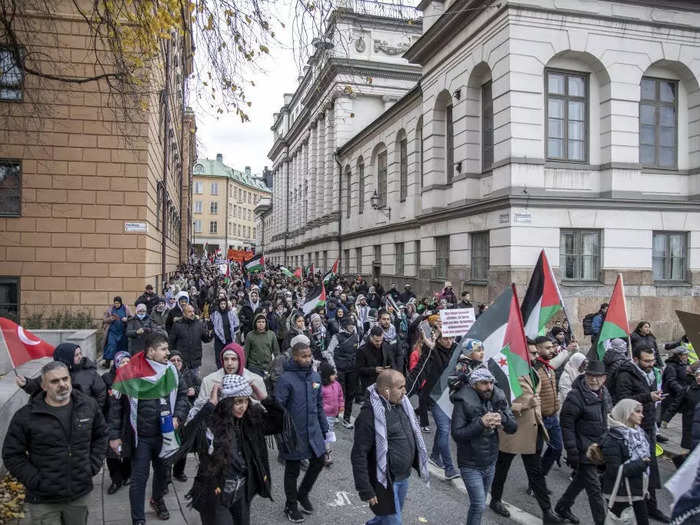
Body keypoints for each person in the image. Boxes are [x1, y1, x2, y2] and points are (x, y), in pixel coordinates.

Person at [2, 361, 108, 524]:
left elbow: (101, 436)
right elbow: (12, 454)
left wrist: (92, 465)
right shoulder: (26, 416)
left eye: (65, 379)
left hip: (79, 494)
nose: (62, 384)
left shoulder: (88, 405)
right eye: (54, 381)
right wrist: (35, 479)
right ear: (43, 386)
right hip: (43, 499)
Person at [180, 374, 285, 525]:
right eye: (237, 402)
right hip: (215, 493)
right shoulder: (211, 422)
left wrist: (265, 399)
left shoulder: (250, 420)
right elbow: (186, 438)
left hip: (241, 491)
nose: (243, 407)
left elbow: (279, 423)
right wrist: (209, 406)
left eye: (245, 401)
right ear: (226, 403)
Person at [108, 333, 190, 525]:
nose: (167, 353)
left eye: (167, 349)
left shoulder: (172, 370)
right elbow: (116, 407)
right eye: (163, 349)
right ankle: (138, 518)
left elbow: (183, 395)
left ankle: (157, 500)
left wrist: (178, 416)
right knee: (138, 480)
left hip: (165, 435)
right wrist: (113, 435)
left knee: (163, 476)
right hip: (141, 438)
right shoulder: (129, 372)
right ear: (151, 351)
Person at [490, 339, 563, 524]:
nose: (535, 356)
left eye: (535, 353)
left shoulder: (533, 370)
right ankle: (495, 500)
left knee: (536, 472)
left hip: (533, 428)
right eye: (531, 353)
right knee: (502, 468)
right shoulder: (509, 372)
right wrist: (524, 404)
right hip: (513, 430)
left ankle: (547, 512)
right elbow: (500, 404)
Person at [351, 370, 429, 525]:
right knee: (393, 521)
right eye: (401, 387)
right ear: (387, 391)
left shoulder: (401, 404)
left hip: (403, 477)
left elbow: (421, 372)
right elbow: (359, 454)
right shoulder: (369, 415)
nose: (405, 391)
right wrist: (365, 488)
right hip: (384, 482)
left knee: (384, 517)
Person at [451, 368, 517, 525]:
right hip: (470, 463)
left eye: (491, 383)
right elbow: (457, 434)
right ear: (474, 385)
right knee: (479, 504)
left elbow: (513, 427)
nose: (489, 387)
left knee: (479, 505)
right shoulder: (462, 401)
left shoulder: (498, 397)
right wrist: (481, 423)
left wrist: (502, 418)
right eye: (484, 383)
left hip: (490, 461)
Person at [614, 346, 670, 522]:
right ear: (636, 360)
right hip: (632, 428)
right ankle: (627, 508)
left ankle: (651, 507)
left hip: (648, 426)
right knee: (636, 469)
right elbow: (624, 401)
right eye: (647, 361)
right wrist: (648, 397)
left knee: (650, 467)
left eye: (652, 360)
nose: (651, 364)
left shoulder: (651, 372)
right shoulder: (625, 375)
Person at [275, 339, 329, 523]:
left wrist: (324, 427)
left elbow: (319, 404)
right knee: (293, 469)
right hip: (293, 433)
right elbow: (278, 408)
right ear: (295, 357)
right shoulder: (285, 379)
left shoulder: (315, 377)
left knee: (319, 460)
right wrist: (281, 433)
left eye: (309, 356)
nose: (308, 359)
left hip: (313, 430)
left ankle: (302, 494)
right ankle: (290, 505)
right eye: (303, 356)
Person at [555, 360, 612, 525]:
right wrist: (572, 452)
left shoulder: (604, 393)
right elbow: (567, 426)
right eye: (590, 376)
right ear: (585, 376)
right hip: (583, 449)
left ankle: (562, 507)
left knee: (581, 480)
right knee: (595, 490)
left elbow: (608, 418)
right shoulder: (575, 396)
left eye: (598, 377)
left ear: (604, 379)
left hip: (598, 449)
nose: (594, 380)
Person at [411, 330, 460, 480]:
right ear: (438, 340)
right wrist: (429, 342)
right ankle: (450, 468)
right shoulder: (433, 352)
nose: (449, 341)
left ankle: (434, 455)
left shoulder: (457, 351)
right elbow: (429, 357)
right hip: (434, 396)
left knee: (443, 429)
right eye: (445, 338)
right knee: (445, 430)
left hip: (450, 396)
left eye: (451, 338)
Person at [600, 399, 653, 525]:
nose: (642, 415)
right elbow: (614, 471)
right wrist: (642, 463)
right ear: (626, 413)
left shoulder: (639, 433)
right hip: (621, 493)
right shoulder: (613, 438)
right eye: (638, 412)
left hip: (636, 490)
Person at [16, 342, 107, 410]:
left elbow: (101, 394)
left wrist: (93, 412)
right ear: (66, 358)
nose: (80, 357)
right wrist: (26, 383)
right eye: (76, 355)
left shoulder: (90, 372)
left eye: (80, 353)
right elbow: (37, 386)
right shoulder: (53, 371)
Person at [532, 335, 573, 478]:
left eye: (552, 347)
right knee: (533, 454)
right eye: (548, 348)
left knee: (556, 448)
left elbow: (555, 363)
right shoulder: (534, 368)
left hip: (552, 416)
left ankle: (540, 478)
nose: (552, 350)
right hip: (539, 418)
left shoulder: (548, 366)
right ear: (537, 349)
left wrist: (568, 351)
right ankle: (536, 485)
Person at [192, 343, 267, 418]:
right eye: (226, 359)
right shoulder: (209, 381)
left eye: (234, 359)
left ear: (241, 360)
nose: (229, 363)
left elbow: (265, 412)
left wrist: (250, 399)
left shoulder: (256, 380)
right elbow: (198, 409)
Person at [103, 351, 133, 495]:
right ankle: (116, 479)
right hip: (111, 420)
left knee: (127, 452)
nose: (126, 365)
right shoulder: (107, 379)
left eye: (128, 361)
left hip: (128, 423)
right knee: (112, 454)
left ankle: (127, 475)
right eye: (122, 362)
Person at [168, 350, 200, 483]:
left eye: (178, 360)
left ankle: (179, 471)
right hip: (170, 415)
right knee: (168, 445)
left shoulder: (190, 375)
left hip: (186, 415)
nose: (176, 363)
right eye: (173, 360)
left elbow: (202, 386)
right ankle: (165, 474)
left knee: (183, 445)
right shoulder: (165, 375)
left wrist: (195, 390)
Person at [327, 316, 360, 429]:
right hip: (340, 370)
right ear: (345, 325)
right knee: (340, 394)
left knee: (351, 394)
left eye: (353, 324)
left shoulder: (356, 336)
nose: (352, 326)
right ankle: (335, 414)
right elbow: (329, 352)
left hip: (352, 370)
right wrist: (334, 368)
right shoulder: (337, 337)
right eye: (350, 324)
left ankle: (346, 419)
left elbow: (358, 352)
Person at [168, 303, 213, 377]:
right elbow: (171, 342)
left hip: (195, 362)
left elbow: (206, 339)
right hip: (181, 362)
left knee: (194, 384)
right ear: (184, 313)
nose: (192, 313)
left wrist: (211, 333)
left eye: (193, 311)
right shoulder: (177, 325)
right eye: (189, 312)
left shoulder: (199, 324)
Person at [357, 325, 396, 394]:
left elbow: (391, 361)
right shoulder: (362, 350)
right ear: (371, 337)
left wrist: (389, 367)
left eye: (381, 340)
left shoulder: (385, 345)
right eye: (376, 341)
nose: (379, 343)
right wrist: (374, 370)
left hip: (383, 382)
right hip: (369, 384)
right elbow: (359, 369)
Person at [320, 362, 344, 466]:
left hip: (333, 414)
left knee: (327, 433)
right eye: (333, 374)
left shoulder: (337, 384)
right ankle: (327, 453)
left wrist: (341, 406)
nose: (336, 376)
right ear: (326, 375)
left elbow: (340, 396)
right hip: (324, 415)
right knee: (327, 433)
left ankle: (323, 452)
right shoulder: (319, 386)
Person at [244, 312, 280, 377]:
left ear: (266, 323)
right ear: (255, 323)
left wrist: (278, 366)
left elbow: (276, 351)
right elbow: (245, 353)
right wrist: (243, 368)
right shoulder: (250, 335)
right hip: (254, 366)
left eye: (263, 322)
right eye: (259, 322)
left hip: (268, 366)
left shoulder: (271, 334)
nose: (261, 324)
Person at [211, 296, 240, 369]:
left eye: (224, 304)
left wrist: (233, 331)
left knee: (229, 355)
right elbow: (213, 325)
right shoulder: (216, 314)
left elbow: (236, 324)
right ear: (219, 305)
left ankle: (229, 368)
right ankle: (220, 369)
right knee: (219, 356)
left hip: (229, 339)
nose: (223, 305)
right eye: (221, 304)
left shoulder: (231, 313)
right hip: (219, 339)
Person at [103, 296, 130, 368]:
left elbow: (131, 318)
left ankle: (123, 363)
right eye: (115, 303)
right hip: (112, 332)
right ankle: (107, 363)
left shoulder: (126, 308)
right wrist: (110, 318)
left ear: (121, 303)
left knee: (122, 347)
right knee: (111, 346)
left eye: (118, 303)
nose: (116, 305)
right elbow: (104, 320)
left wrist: (126, 319)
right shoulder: (110, 309)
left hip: (122, 332)